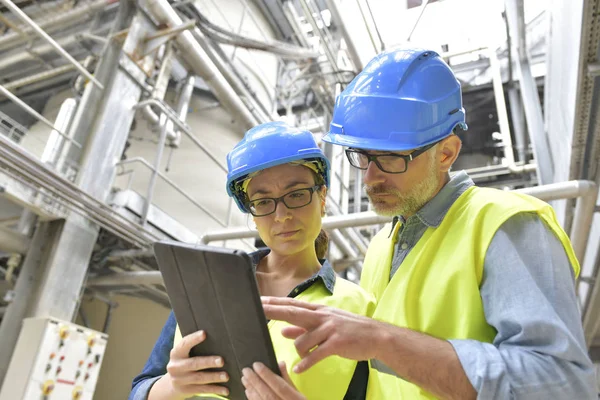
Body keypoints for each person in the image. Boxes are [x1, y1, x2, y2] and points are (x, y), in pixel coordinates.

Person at [240, 48, 597, 400]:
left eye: (391, 158)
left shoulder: (505, 224)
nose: (370, 178)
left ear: (446, 153)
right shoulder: (382, 246)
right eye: (362, 156)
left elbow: (561, 384)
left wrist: (385, 340)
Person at [129, 121, 375, 400]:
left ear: (322, 197)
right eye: (263, 201)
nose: (282, 215)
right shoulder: (206, 285)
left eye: (296, 194)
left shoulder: (358, 307)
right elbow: (139, 390)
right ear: (253, 212)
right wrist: (172, 387)